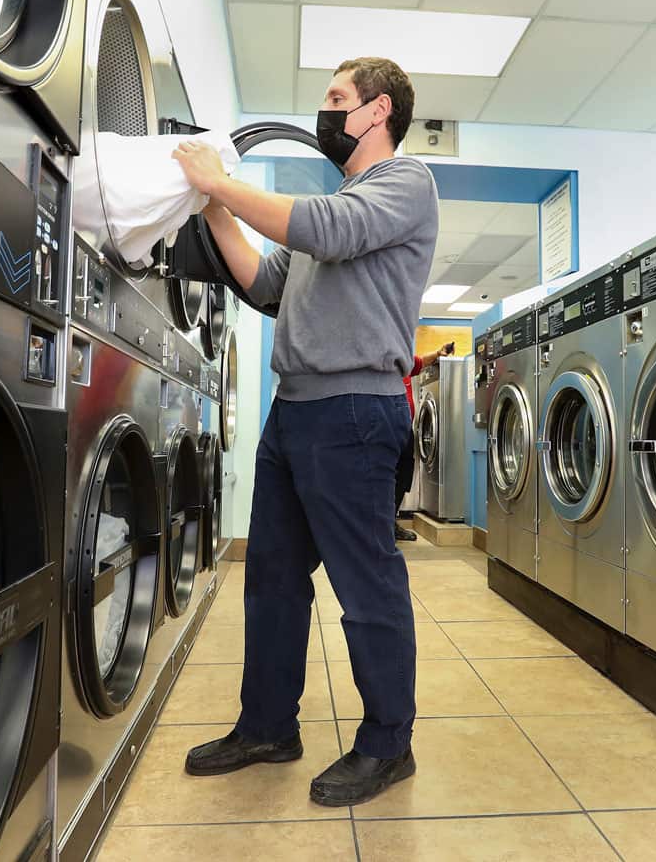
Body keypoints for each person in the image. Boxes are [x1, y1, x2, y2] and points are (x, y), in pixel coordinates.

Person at [172, 56, 439, 806]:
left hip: (356, 413)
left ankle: (389, 743)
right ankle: (268, 726)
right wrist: (213, 208)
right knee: (272, 578)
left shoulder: (404, 183)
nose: (325, 111)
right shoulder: (333, 206)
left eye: (336, 99)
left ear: (377, 110)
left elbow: (323, 227)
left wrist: (221, 179)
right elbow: (263, 284)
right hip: (293, 413)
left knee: (366, 585)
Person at [395, 342, 455, 542]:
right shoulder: (380, 359)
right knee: (385, 478)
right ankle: (380, 526)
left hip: (404, 429)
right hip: (384, 428)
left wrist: (438, 353)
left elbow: (420, 362)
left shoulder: (403, 360)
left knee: (403, 476)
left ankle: (389, 522)